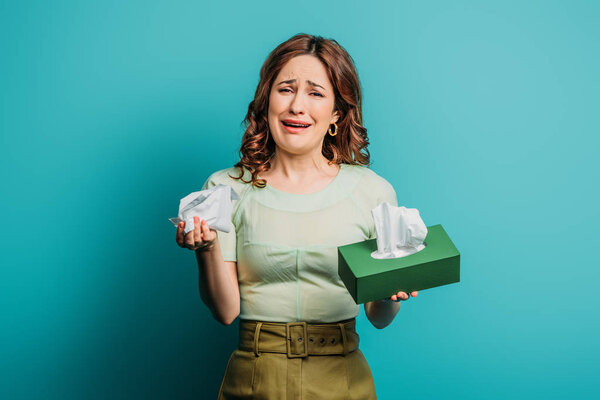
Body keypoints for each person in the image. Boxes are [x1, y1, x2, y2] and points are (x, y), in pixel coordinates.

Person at [175, 33, 418, 399]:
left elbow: (378, 317)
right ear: (266, 99)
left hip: (342, 379)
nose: (297, 106)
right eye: (285, 89)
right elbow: (225, 312)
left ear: (337, 112)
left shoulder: (374, 191)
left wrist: (389, 293)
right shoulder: (225, 188)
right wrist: (206, 248)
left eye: (316, 93)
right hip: (256, 378)